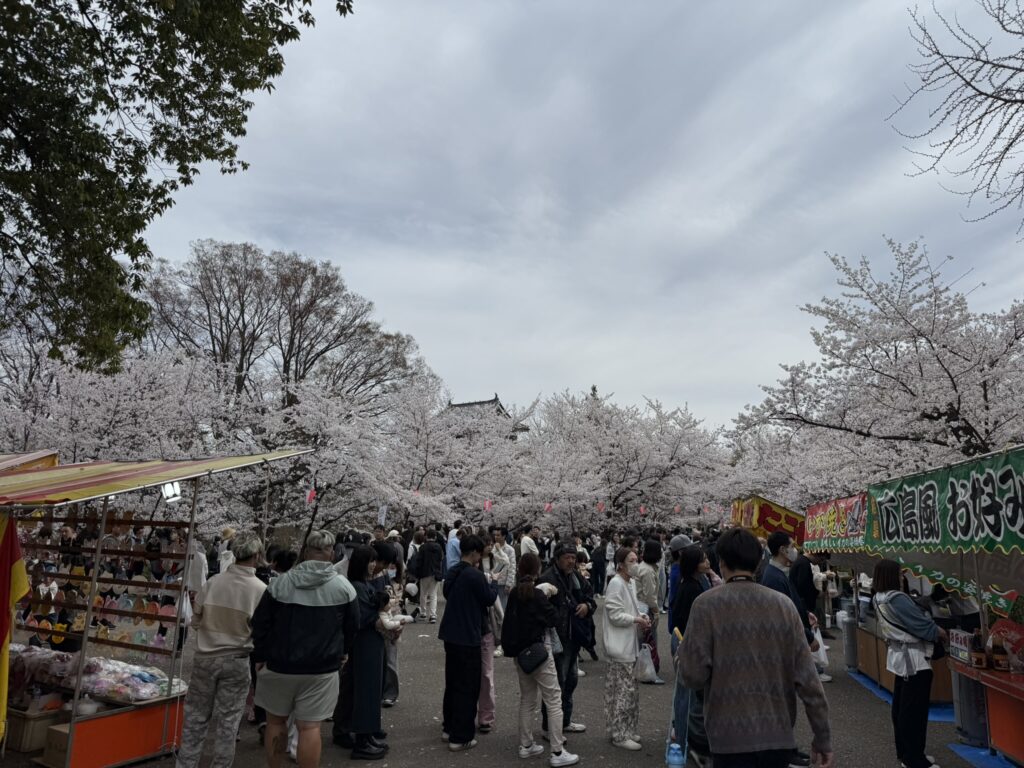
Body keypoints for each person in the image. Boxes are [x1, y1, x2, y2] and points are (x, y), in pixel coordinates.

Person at [677, 528, 833, 768]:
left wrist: (682, 658)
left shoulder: (706, 605)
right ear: (760, 561)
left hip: (726, 737)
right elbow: (809, 681)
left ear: (721, 562)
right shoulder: (784, 606)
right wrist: (822, 738)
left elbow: (693, 676)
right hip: (777, 735)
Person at [251, 530, 356, 768]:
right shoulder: (344, 587)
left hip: (279, 665)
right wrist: (344, 652)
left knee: (276, 723)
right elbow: (352, 628)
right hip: (322, 668)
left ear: (306, 551)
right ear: (331, 553)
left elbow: (260, 624)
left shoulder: (280, 584)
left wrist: (260, 656)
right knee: (310, 727)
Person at [176, 532, 266, 768]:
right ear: (257, 555)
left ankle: (185, 764)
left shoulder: (214, 582)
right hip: (237, 660)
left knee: (195, 718)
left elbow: (195, 619)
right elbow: (262, 630)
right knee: (228, 722)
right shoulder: (260, 590)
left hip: (206, 658)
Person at [501, 552, 580, 767]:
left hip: (520, 655)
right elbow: (554, 618)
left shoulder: (516, 593)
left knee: (527, 699)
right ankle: (557, 751)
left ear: (519, 569)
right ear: (537, 571)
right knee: (554, 699)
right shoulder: (537, 595)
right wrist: (546, 595)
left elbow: (508, 624)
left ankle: (526, 745)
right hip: (540, 652)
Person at [872, 559, 947, 768]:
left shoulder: (878, 597)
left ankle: (906, 753)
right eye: (899, 574)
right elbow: (920, 624)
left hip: (898, 657)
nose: (901, 577)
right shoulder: (897, 598)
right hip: (914, 660)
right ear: (891, 576)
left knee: (901, 708)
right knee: (914, 711)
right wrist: (939, 632)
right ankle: (915, 758)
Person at [440, 534, 500, 751]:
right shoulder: (474, 575)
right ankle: (461, 736)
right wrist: (492, 582)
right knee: (468, 686)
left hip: (451, 634)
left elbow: (447, 593)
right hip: (468, 635)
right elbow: (489, 598)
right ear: (474, 552)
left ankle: (449, 727)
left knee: (453, 683)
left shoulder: (453, 572)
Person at [333, 545, 391, 760]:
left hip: (369, 644)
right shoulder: (356, 587)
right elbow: (365, 618)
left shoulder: (362, 584)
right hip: (365, 643)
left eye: (374, 560)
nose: (373, 565)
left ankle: (365, 735)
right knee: (366, 689)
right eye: (370, 561)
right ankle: (362, 740)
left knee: (367, 688)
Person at [538, 544, 594, 737]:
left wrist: (586, 605)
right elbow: (539, 608)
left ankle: (565, 720)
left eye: (573, 557)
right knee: (556, 684)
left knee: (571, 681)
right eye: (567, 557)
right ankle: (549, 727)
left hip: (573, 637)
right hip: (556, 638)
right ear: (557, 558)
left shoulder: (576, 577)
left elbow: (590, 596)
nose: (571, 561)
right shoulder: (547, 578)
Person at [602, 546, 649, 751]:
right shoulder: (616, 583)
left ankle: (626, 730)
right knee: (623, 692)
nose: (635, 564)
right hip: (620, 647)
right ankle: (620, 734)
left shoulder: (628, 583)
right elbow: (615, 614)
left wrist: (641, 616)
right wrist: (635, 619)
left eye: (636, 559)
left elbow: (631, 608)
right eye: (631, 560)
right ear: (621, 564)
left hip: (628, 645)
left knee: (629, 692)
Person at [669, 544, 712, 766]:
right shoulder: (692, 588)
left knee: (687, 697)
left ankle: (685, 738)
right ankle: (686, 743)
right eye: (704, 560)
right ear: (695, 564)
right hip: (686, 643)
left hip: (683, 641)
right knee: (688, 698)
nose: (708, 563)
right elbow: (686, 623)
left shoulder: (694, 583)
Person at [476, 536, 506, 732]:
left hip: (486, 624)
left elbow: (507, 563)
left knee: (486, 675)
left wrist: (498, 550)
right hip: (478, 625)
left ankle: (486, 716)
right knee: (475, 675)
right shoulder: (473, 571)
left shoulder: (496, 559)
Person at [635, 539, 664, 682]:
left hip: (642, 606)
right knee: (649, 640)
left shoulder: (645, 567)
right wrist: (656, 611)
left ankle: (646, 669)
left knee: (644, 639)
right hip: (646, 608)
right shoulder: (647, 570)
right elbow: (650, 594)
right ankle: (649, 670)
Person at [416, 529, 444, 623]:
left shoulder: (422, 547)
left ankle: (423, 613)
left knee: (423, 594)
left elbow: (419, 561)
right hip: (435, 573)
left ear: (426, 537)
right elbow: (441, 559)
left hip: (424, 573)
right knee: (433, 594)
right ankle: (433, 615)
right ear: (435, 537)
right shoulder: (438, 547)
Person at [490, 526, 518, 611]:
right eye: (495, 535)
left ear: (504, 536)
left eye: (498, 535)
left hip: (503, 582)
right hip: (492, 580)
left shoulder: (510, 550)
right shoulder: (492, 548)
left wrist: (509, 584)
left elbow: (512, 567)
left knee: (503, 606)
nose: (496, 537)